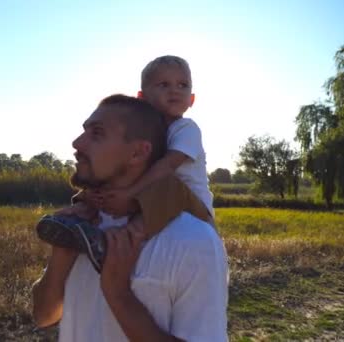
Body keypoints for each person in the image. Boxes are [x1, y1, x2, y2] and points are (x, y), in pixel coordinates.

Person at [31, 95, 228, 341]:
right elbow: (44, 316)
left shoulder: (193, 240)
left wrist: (119, 294)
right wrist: (61, 255)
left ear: (137, 153)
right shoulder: (82, 225)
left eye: (97, 134)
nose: (77, 143)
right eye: (84, 132)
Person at [36, 55, 214, 272]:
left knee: (165, 185)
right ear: (141, 97)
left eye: (182, 85)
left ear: (192, 99)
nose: (174, 90)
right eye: (163, 84)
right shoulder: (149, 133)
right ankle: (79, 213)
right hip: (155, 195)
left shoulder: (186, 129)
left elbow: (167, 166)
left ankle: (113, 243)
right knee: (109, 174)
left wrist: (130, 193)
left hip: (191, 205)